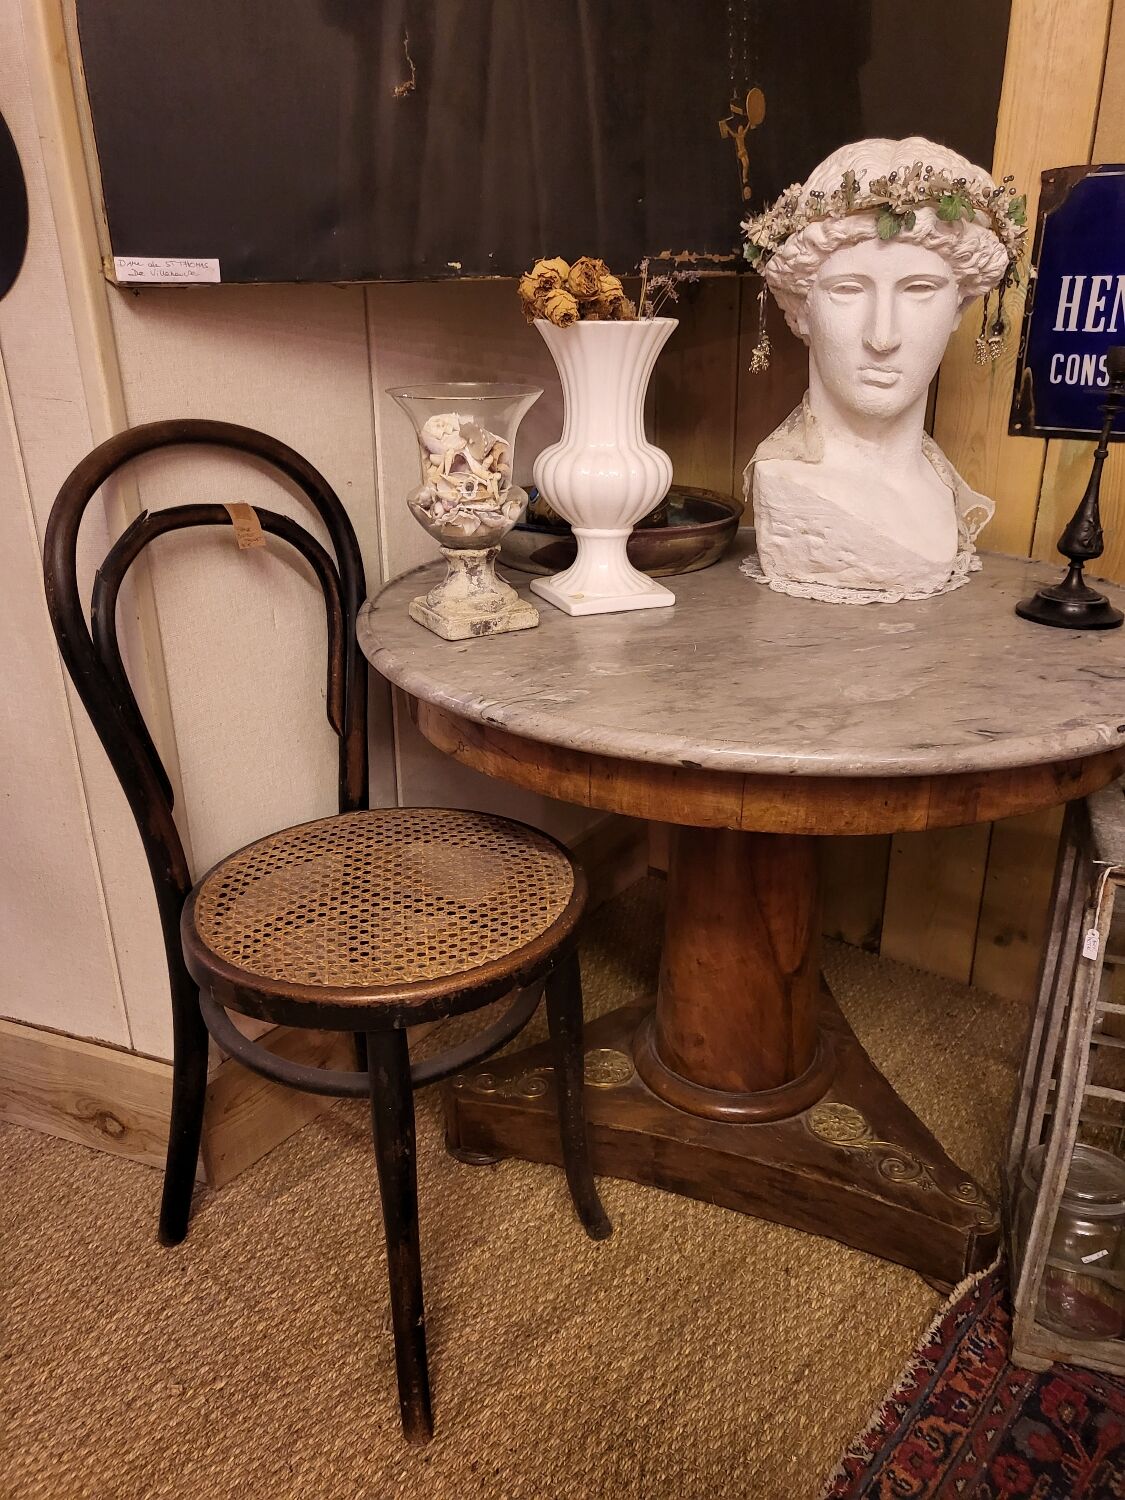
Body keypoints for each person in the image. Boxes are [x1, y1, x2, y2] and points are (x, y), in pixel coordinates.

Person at [741, 136, 1024, 603]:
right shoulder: (788, 484)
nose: (882, 337)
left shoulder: (940, 487)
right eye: (849, 290)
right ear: (801, 308)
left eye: (918, 290)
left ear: (960, 305)